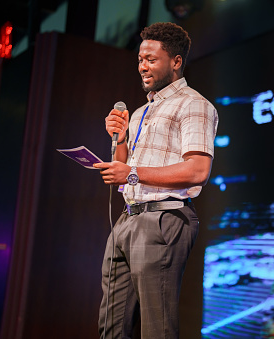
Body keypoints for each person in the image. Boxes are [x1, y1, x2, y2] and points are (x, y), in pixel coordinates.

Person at [93, 22, 218, 339]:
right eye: (139, 59)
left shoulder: (194, 105)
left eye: (151, 59)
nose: (142, 67)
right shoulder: (139, 113)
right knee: (111, 325)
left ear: (176, 61)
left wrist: (131, 173)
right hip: (128, 218)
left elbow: (197, 170)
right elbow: (122, 171)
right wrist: (119, 139)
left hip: (163, 217)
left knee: (156, 326)